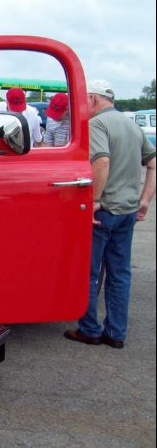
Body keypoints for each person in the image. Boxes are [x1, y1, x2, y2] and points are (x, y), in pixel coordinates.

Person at [64, 79, 156, 348]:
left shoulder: (97, 124)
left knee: (90, 272)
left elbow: (101, 160)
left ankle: (90, 328)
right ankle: (116, 332)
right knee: (120, 273)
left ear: (92, 99)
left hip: (104, 212)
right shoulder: (132, 125)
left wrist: (94, 200)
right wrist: (145, 200)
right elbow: (153, 163)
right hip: (127, 211)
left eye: (85, 101)